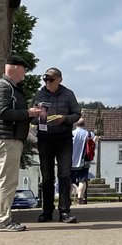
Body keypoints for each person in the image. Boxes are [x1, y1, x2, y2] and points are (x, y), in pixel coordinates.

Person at [0, 55, 44, 232]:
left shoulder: (8, 87)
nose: (25, 74)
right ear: (14, 68)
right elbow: (2, 111)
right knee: (7, 181)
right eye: (23, 69)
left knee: (2, 181)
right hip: (7, 139)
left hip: (7, 138)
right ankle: (4, 221)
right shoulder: (4, 87)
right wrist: (28, 113)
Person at [33, 67, 81, 223]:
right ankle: (47, 211)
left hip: (63, 139)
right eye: (45, 79)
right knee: (47, 177)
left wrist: (64, 119)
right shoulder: (40, 94)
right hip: (45, 139)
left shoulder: (68, 94)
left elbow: (77, 114)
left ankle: (64, 212)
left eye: (51, 79)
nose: (47, 82)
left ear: (59, 79)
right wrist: (38, 118)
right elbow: (32, 115)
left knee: (64, 175)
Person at [70, 118, 95, 205]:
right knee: (82, 181)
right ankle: (80, 198)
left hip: (71, 162)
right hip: (84, 162)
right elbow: (94, 145)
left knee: (70, 181)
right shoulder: (89, 134)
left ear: (76, 125)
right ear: (84, 125)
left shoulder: (71, 134)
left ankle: (68, 199)